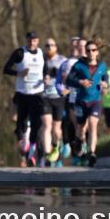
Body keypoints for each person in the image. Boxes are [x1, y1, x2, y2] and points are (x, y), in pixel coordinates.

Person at [3, 31, 46, 167]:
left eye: (34, 40)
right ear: (26, 40)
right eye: (29, 40)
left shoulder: (41, 53)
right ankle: (24, 144)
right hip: (22, 93)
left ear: (37, 41)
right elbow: (6, 69)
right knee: (21, 124)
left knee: (36, 124)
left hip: (37, 94)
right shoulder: (19, 53)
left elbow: (44, 70)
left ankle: (32, 153)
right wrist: (19, 73)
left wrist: (46, 78)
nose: (31, 43)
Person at [66, 38, 109, 166]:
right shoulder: (78, 65)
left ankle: (92, 153)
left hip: (95, 101)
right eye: (88, 50)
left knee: (92, 124)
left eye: (93, 50)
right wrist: (80, 82)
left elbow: (105, 77)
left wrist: (106, 84)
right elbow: (68, 80)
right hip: (81, 101)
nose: (91, 52)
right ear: (86, 51)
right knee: (80, 129)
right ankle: (78, 142)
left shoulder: (102, 66)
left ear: (97, 52)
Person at [41, 37, 66, 166]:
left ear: (56, 47)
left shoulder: (62, 60)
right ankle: (46, 154)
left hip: (58, 98)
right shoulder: (41, 60)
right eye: (47, 45)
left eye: (52, 45)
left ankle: (56, 147)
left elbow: (69, 76)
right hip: (45, 97)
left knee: (56, 129)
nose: (49, 47)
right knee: (46, 125)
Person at [57, 36, 83, 161]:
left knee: (84, 123)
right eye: (72, 45)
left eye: (77, 45)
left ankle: (84, 148)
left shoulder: (86, 62)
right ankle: (75, 150)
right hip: (71, 95)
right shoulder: (65, 63)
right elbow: (58, 81)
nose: (74, 47)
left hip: (84, 96)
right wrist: (61, 90)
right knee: (71, 122)